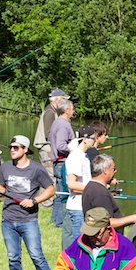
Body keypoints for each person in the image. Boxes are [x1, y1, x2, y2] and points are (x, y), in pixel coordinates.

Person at [0, 135, 58, 270]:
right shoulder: (5, 167)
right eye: (11, 147)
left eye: (16, 147)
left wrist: (34, 200)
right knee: (13, 257)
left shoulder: (36, 169)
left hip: (28, 221)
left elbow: (51, 189)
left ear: (25, 149)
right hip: (8, 219)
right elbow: (1, 188)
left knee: (36, 255)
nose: (12, 150)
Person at [81, 154, 136, 233]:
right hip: (106, 242)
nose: (115, 171)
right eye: (113, 169)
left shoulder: (91, 186)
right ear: (105, 170)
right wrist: (133, 218)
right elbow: (106, 222)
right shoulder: (100, 193)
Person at [63, 125, 97, 249]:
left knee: (87, 242)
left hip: (84, 206)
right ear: (85, 139)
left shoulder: (84, 156)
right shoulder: (76, 157)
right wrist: (93, 189)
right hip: (77, 208)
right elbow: (72, 184)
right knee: (80, 244)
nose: (95, 140)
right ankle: (75, 267)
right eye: (93, 137)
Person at [47, 98, 75, 228]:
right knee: (64, 194)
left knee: (59, 193)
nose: (73, 111)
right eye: (72, 109)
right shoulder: (63, 124)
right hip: (62, 163)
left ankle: (55, 221)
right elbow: (61, 145)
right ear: (67, 110)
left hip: (58, 163)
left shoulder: (57, 122)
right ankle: (60, 223)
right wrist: (74, 147)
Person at [33, 89, 66, 174]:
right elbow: (49, 134)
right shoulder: (50, 112)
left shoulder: (53, 111)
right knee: (50, 175)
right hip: (46, 149)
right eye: (63, 99)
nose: (65, 102)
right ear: (56, 100)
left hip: (50, 148)